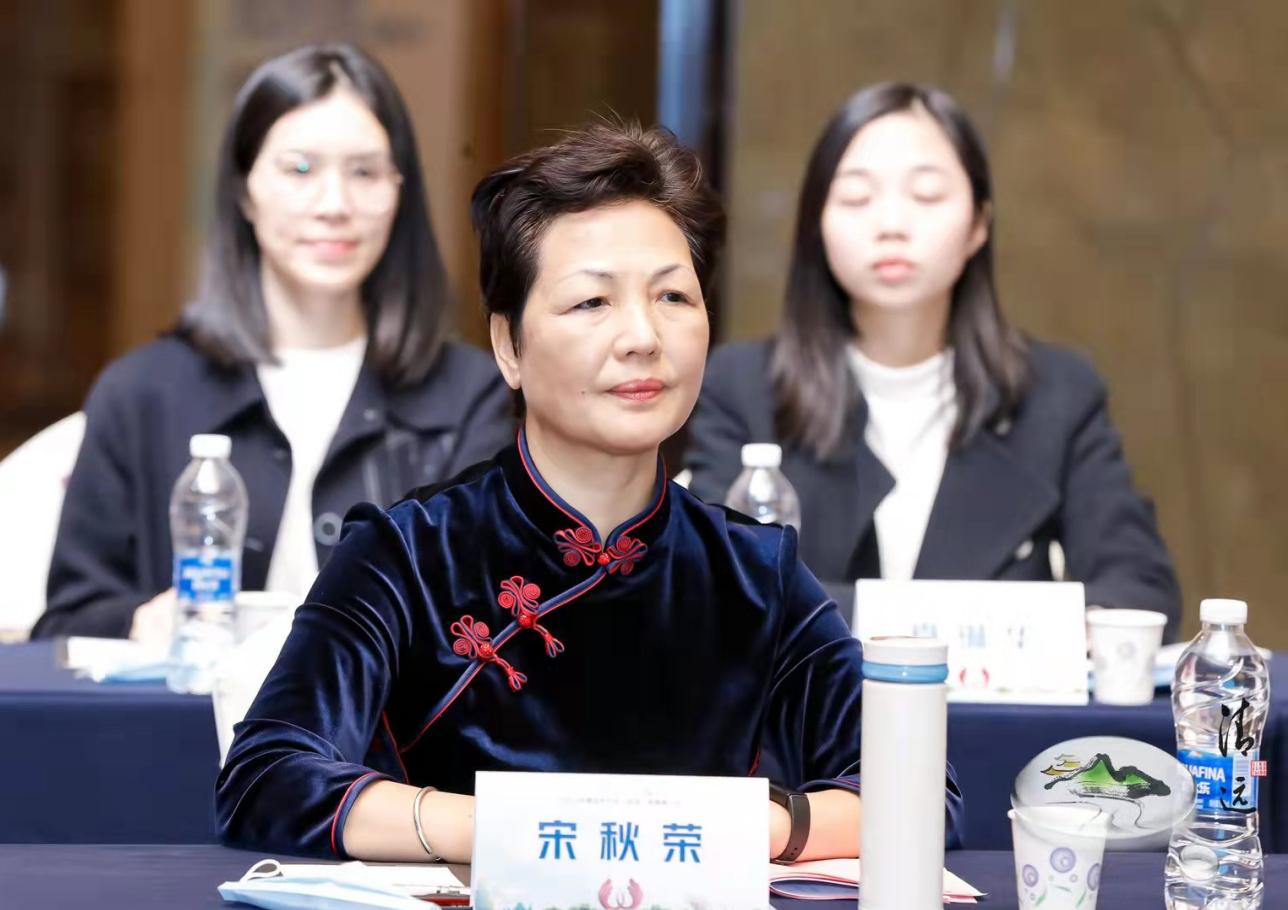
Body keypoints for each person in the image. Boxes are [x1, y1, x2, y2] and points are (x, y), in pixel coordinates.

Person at [216, 121, 963, 862]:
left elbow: (920, 795)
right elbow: (266, 779)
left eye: (673, 297)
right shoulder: (407, 552)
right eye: (591, 303)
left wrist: (734, 827)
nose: (642, 337)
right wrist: (521, 830)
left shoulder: (755, 571)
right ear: (508, 346)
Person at [32, 44, 512, 642]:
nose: (334, 205)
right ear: (243, 191)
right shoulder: (140, 393)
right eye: (300, 170)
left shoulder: (470, 396)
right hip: (187, 704)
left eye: (364, 172)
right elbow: (65, 625)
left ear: (400, 191)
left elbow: (492, 612)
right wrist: (143, 621)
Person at [686, 82, 1181, 639]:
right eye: (856, 198)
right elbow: (715, 586)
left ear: (978, 225)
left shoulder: (1058, 394)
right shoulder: (743, 387)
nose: (891, 224)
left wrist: (860, 616)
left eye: (926, 195)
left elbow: (1140, 596)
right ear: (817, 225)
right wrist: (979, 626)